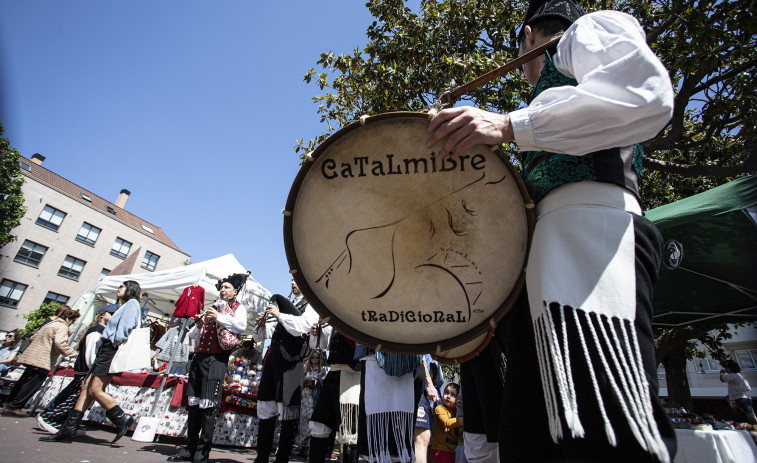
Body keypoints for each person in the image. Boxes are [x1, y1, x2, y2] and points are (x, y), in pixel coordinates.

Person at [427, 1, 676, 461]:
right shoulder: (549, 97)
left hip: (590, 234)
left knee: (609, 426)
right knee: (533, 433)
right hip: (548, 252)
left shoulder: (587, 30)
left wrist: (508, 124)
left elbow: (649, 95)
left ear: (527, 36)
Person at [41, 280, 142, 444]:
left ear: (131, 289)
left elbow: (125, 329)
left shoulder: (132, 304)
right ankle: (69, 428)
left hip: (111, 350)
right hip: (107, 350)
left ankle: (122, 418)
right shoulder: (126, 305)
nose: (119, 289)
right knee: (85, 387)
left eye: (122, 287)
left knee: (94, 389)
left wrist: (115, 342)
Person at [167, 273, 248, 463]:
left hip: (217, 360)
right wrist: (199, 323)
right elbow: (196, 336)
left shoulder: (238, 308)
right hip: (200, 358)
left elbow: (241, 326)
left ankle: (203, 452)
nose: (223, 290)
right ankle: (190, 447)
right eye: (222, 287)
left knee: (209, 407)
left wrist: (219, 316)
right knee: (194, 405)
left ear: (235, 291)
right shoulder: (213, 307)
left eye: (227, 287)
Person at [252, 278, 319, 463]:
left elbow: (303, 327)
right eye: (291, 280)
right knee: (266, 408)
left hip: (292, 363)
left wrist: (280, 315)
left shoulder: (311, 305)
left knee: (288, 414)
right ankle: (262, 456)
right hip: (273, 360)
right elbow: (258, 337)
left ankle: (282, 459)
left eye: (297, 280)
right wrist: (263, 323)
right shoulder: (282, 306)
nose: (292, 282)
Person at [36, 304, 119, 434]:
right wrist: (92, 370)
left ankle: (61, 420)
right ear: (102, 314)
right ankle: (50, 416)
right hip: (86, 370)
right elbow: (92, 353)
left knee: (75, 395)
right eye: (112, 314)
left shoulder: (101, 330)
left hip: (87, 370)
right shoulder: (97, 330)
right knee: (73, 395)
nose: (115, 317)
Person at [2, 307, 80, 416]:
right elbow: (60, 343)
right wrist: (74, 353)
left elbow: (33, 337)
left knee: (23, 381)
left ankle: (9, 403)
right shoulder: (62, 327)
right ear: (68, 319)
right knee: (32, 385)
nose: (72, 323)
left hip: (32, 356)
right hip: (43, 359)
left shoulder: (50, 324)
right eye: (72, 321)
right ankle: (15, 406)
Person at [307, 321, 361, 463]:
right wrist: (318, 334)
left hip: (352, 377)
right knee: (319, 425)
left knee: (350, 433)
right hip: (333, 374)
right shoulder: (337, 314)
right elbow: (321, 345)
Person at [295, 346, 328, 457]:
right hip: (305, 396)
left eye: (317, 357)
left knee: (311, 419)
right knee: (303, 419)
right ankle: (301, 445)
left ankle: (308, 446)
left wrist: (317, 381)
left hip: (314, 396)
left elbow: (324, 383)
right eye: (313, 357)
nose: (315, 359)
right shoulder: (306, 369)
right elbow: (299, 381)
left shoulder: (321, 370)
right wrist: (307, 380)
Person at [414, 356, 443, 463]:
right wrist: (429, 383)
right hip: (414, 379)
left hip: (419, 382)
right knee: (422, 435)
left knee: (423, 436)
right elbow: (418, 350)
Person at [430, 383, 462, 463]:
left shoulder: (456, 412)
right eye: (446, 392)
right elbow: (446, 423)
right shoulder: (439, 409)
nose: (448, 396)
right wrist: (460, 420)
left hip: (453, 451)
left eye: (453, 395)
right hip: (440, 451)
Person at [720, 360, 756, 425]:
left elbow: (722, 379)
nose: (725, 370)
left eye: (726, 368)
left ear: (730, 368)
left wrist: (721, 373)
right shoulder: (740, 376)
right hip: (746, 397)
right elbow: (747, 388)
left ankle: (752, 425)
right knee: (751, 413)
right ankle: (753, 424)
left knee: (743, 415)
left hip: (739, 399)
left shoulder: (732, 375)